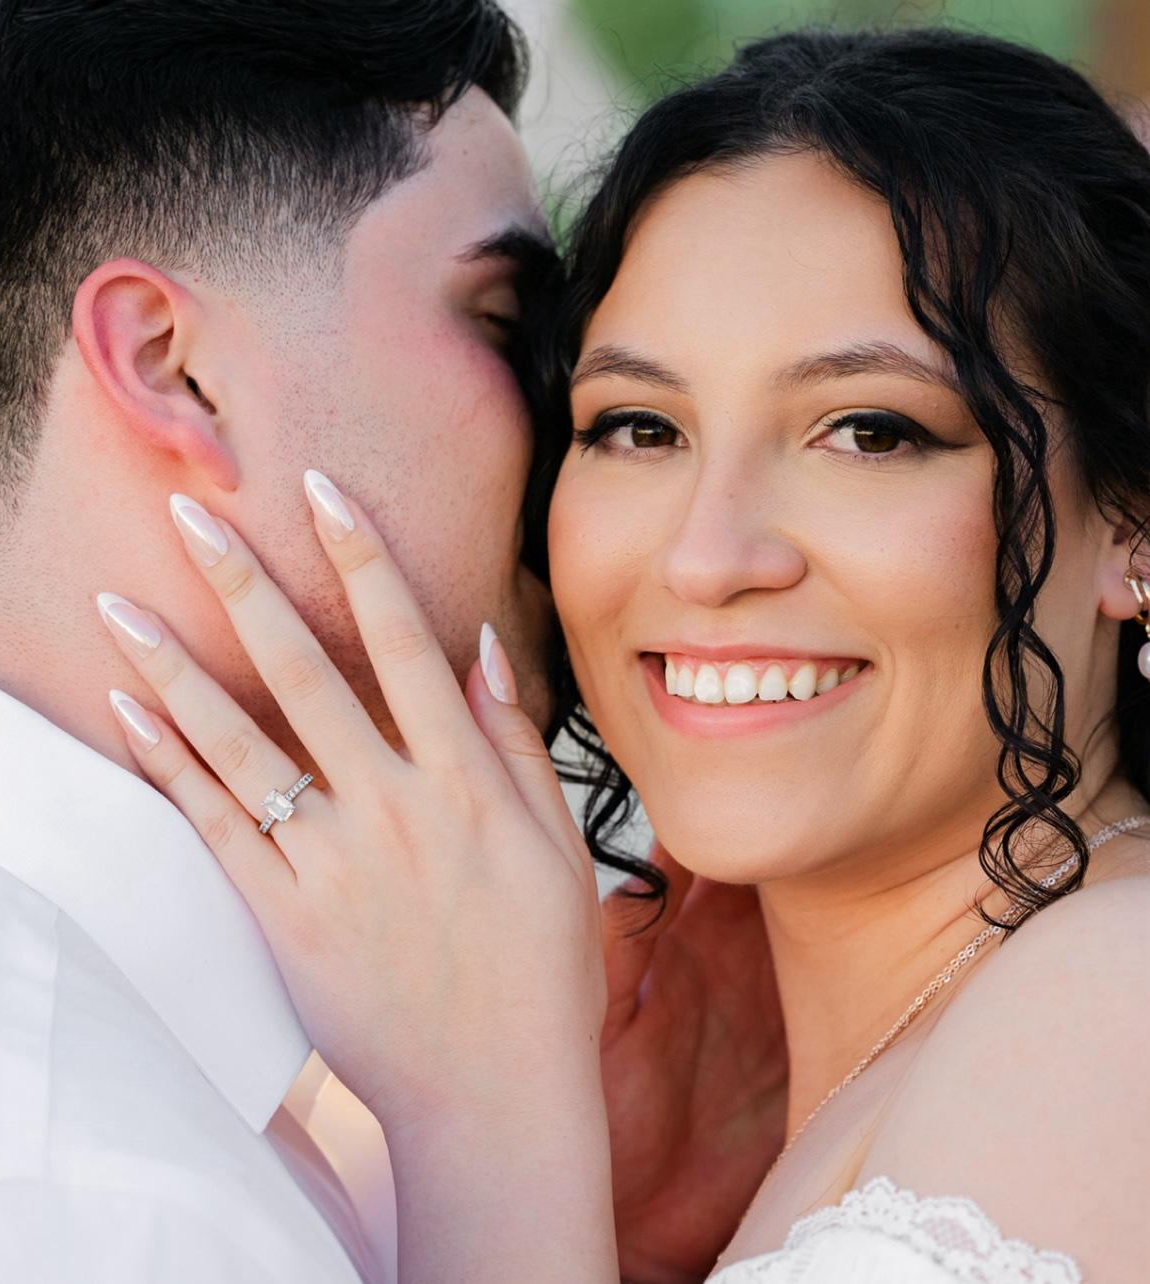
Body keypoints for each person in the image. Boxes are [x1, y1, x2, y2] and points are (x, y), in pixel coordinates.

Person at [105, 26, 1150, 1283]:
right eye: (640, 427)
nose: (708, 559)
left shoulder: (1116, 995)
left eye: (868, 432)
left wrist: (490, 1117)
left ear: (1131, 523)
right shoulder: (840, 1088)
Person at [0, 1, 788, 1279]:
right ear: (172, 367)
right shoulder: (50, 1178)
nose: (577, 410)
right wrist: (506, 1145)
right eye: (503, 317)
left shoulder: (77, 1067)